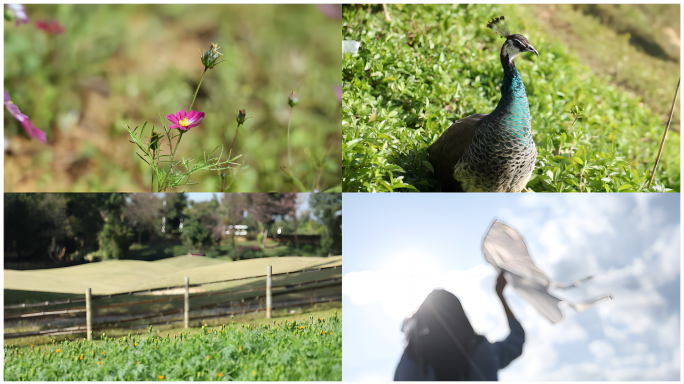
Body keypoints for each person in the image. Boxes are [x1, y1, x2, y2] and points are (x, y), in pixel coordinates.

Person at [394, 271, 525, 381]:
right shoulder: (482, 351)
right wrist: (500, 295)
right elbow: (517, 339)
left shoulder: (415, 358)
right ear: (460, 314)